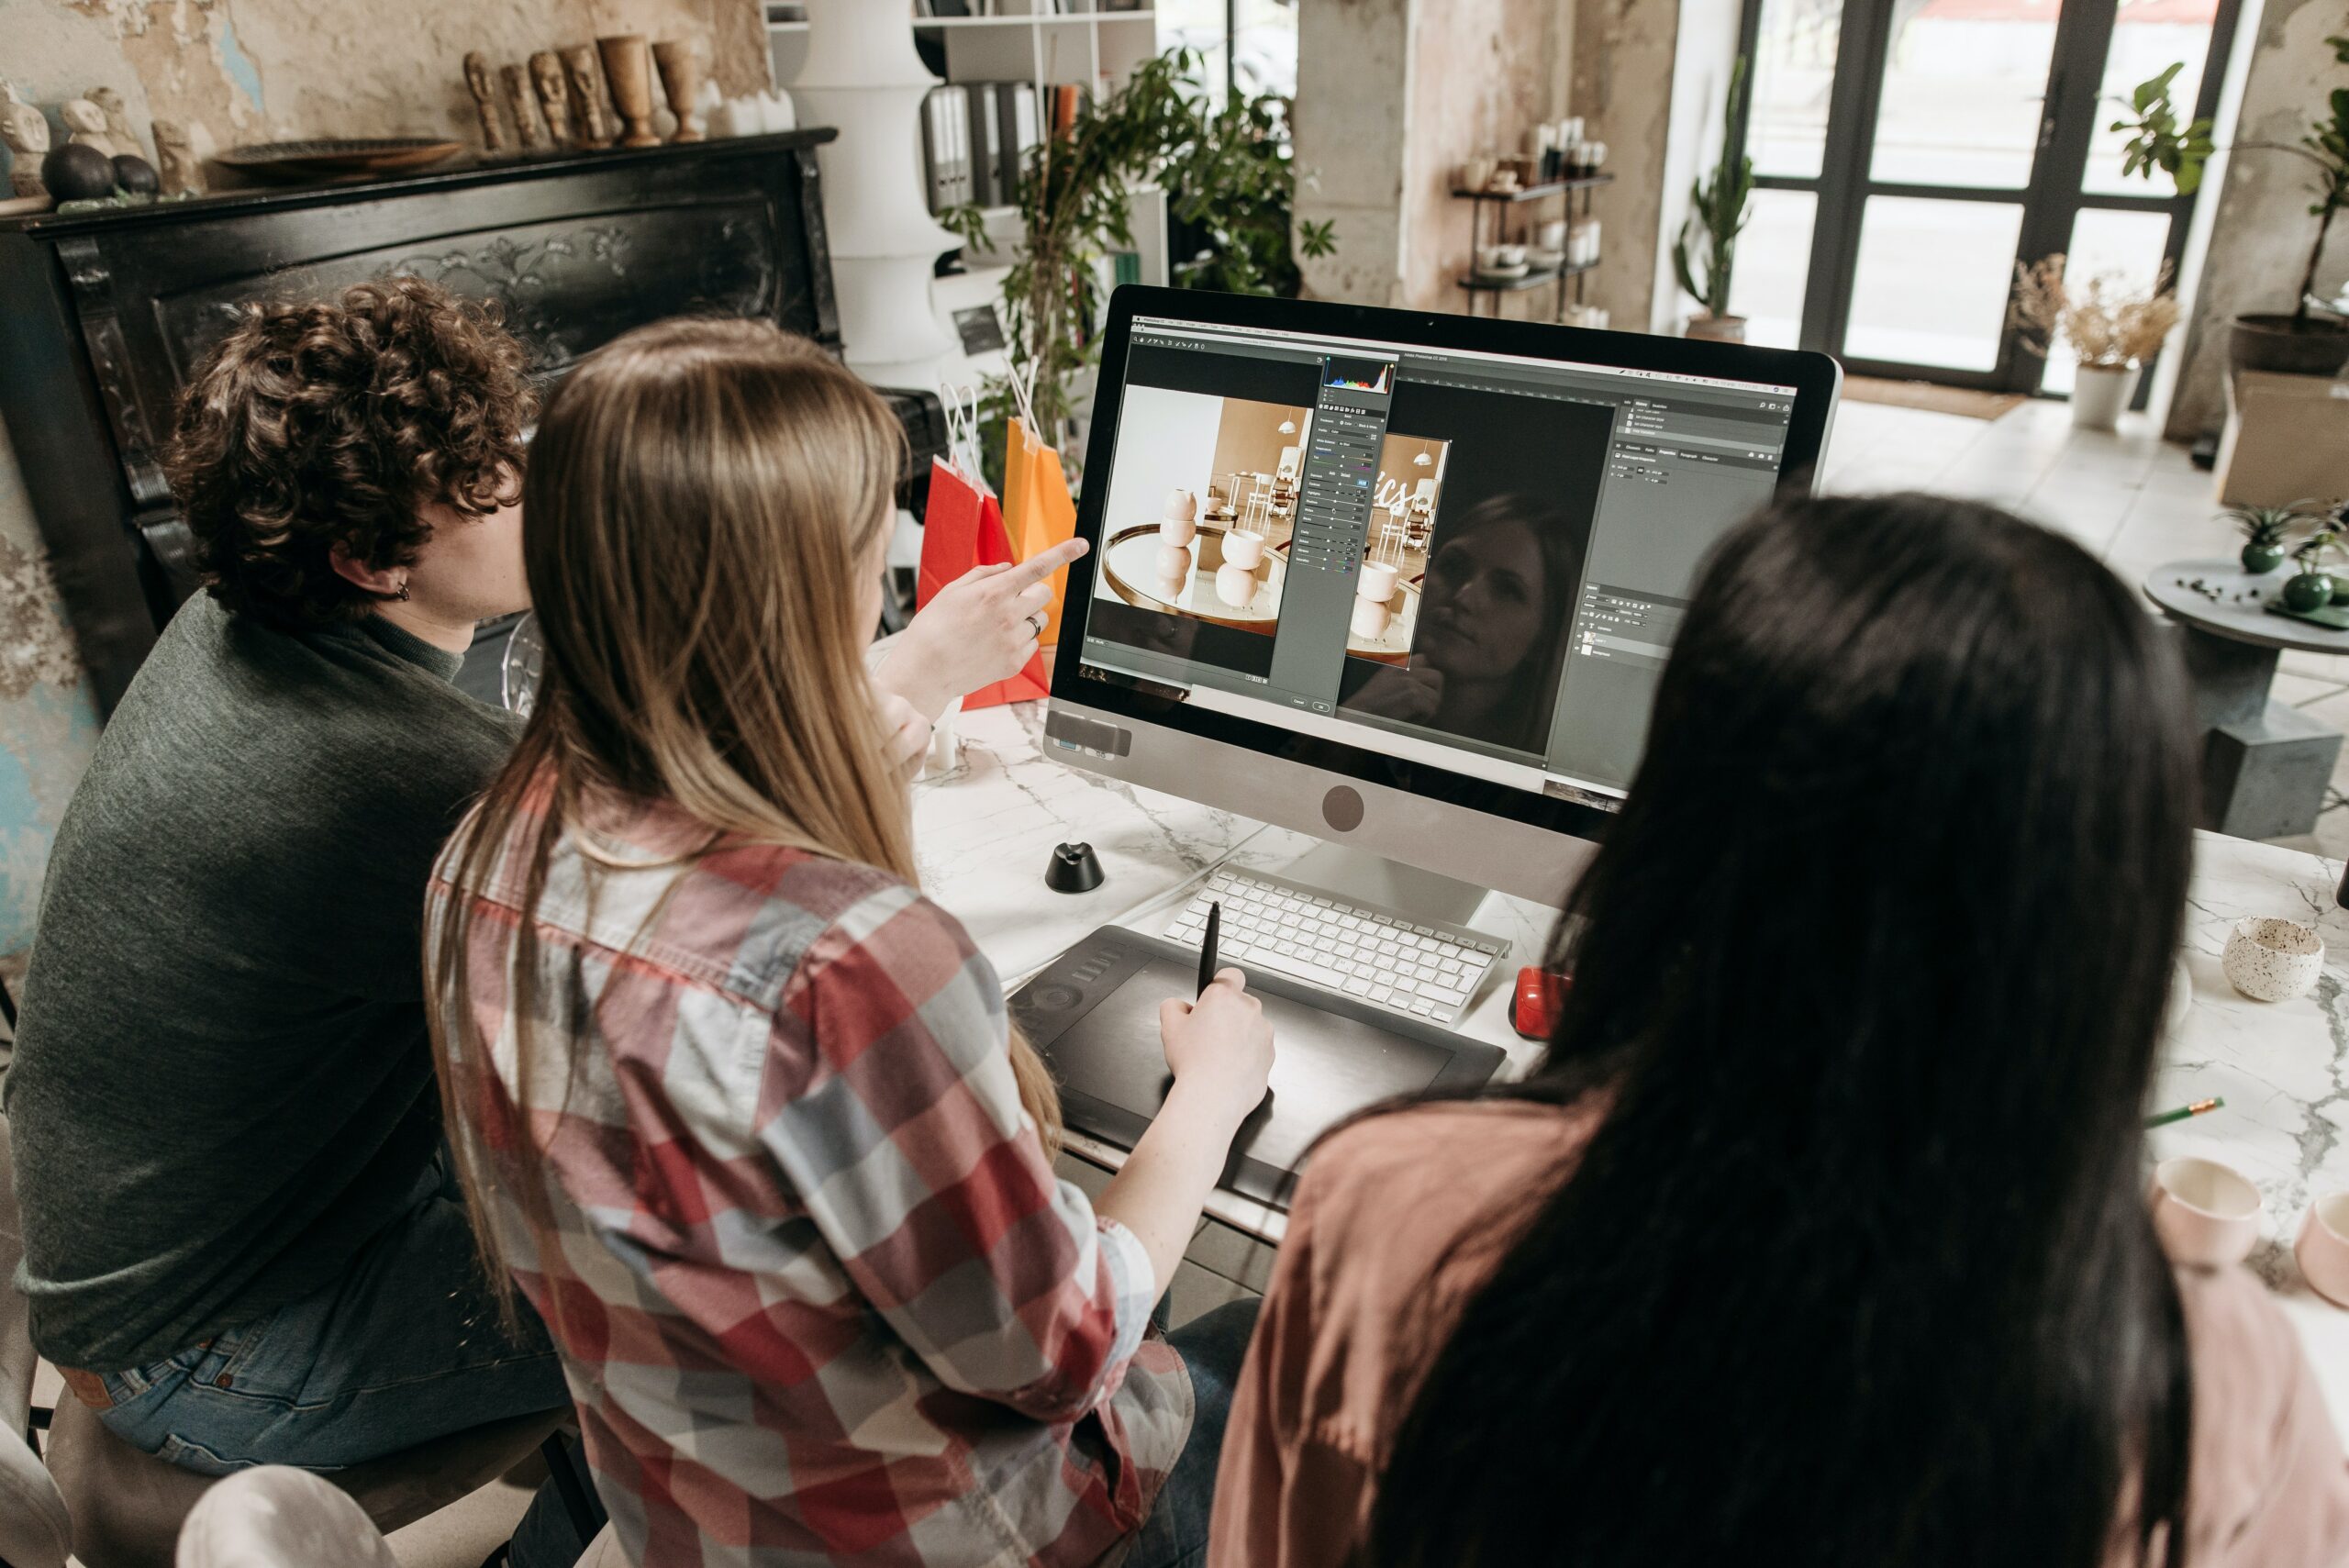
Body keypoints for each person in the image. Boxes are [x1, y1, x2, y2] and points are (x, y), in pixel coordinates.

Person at [6, 277, 1044, 1559]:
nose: (534, 483)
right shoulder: (396, 777)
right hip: (216, 1351)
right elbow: (704, 920)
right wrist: (908, 676)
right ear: (374, 560)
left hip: (158, 1254)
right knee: (749, 1285)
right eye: (491, 489)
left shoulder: (238, 615)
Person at [1211, 494, 2349, 1568]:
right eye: (1451, 567)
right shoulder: (2229, 1394)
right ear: (2111, 931)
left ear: (1677, 830)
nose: (1457, 596)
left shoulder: (1386, 1205)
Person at [425, 316, 1275, 1568]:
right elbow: (1067, 1354)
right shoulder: (850, 965)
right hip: (963, 1540)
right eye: (867, 570)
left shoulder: (481, 860)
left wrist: (912, 682)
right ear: (796, 604)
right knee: (1289, 1316)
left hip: (694, 1521)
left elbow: (717, 829)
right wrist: (1207, 1098)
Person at [1337, 495, 1578, 754]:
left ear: (1543, 639)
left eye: (1507, 590)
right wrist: (1356, 718)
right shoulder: (1350, 680)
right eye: (1453, 565)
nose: (1463, 597)